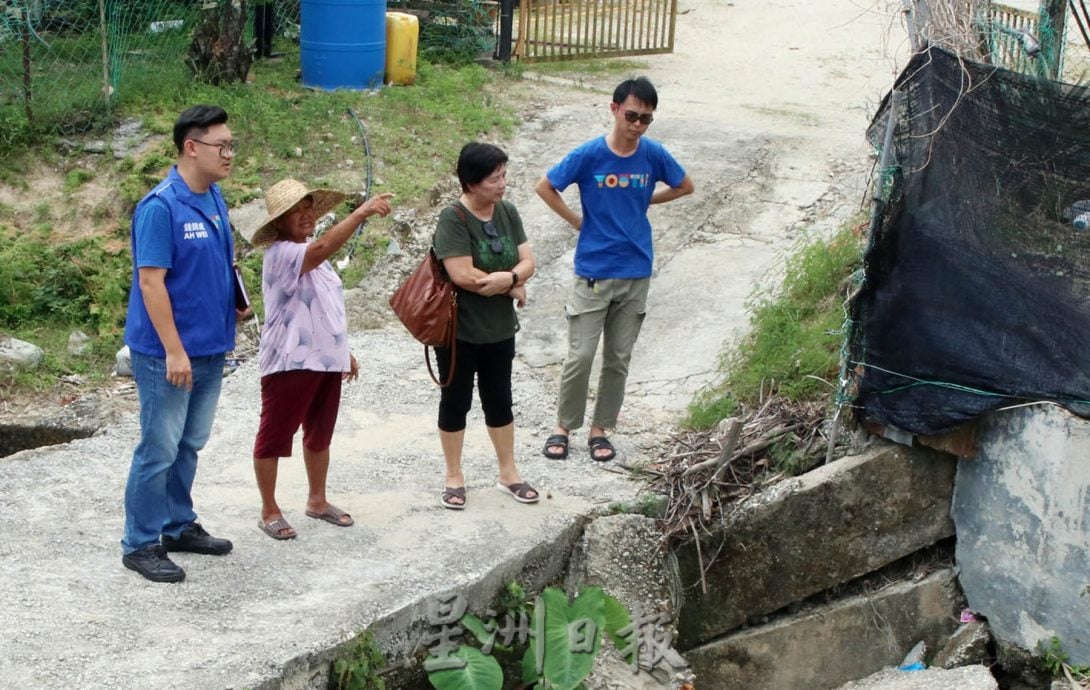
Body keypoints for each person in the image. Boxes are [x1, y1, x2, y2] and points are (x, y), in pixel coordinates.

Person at [536, 76, 695, 462]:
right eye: (632, 115)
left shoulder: (652, 154)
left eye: (646, 119)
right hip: (593, 271)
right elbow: (545, 186)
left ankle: (600, 430)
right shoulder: (590, 155)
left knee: (618, 358)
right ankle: (564, 426)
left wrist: (646, 200)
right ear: (614, 109)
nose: (638, 125)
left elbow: (685, 185)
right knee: (581, 354)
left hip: (636, 271)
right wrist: (578, 222)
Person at [121, 104, 246, 583]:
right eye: (222, 146)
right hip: (168, 353)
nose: (230, 154)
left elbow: (220, 263)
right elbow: (151, 283)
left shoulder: (214, 197)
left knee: (190, 442)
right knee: (159, 446)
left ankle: (177, 525)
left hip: (212, 346)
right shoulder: (160, 207)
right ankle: (139, 543)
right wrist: (174, 350)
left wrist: (235, 301)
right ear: (191, 147)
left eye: (231, 145)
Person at [250, 179, 393, 539]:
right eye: (295, 210)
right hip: (290, 361)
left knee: (320, 433)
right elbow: (325, 246)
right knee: (274, 436)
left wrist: (343, 351)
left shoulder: (318, 260)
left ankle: (317, 500)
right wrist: (360, 213)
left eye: (309, 207)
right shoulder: (282, 253)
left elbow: (324, 308)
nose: (305, 215)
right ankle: (269, 509)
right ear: (279, 221)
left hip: (324, 361)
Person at [433, 142, 539, 510]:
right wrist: (511, 283)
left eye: (504, 176)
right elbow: (461, 273)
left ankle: (509, 473)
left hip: (499, 328)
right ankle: (453, 476)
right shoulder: (453, 218)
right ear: (472, 183)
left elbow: (528, 261)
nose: (503, 184)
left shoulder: (507, 212)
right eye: (495, 178)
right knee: (456, 400)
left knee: (500, 398)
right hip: (459, 332)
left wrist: (509, 277)